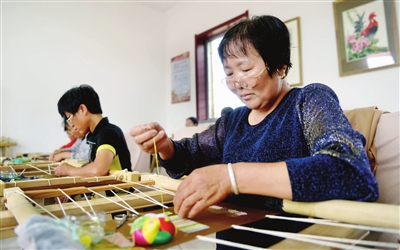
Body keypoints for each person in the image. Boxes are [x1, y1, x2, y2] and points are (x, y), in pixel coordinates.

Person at [130, 15, 378, 248]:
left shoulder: (307, 101)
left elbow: (350, 171)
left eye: (246, 69)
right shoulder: (234, 121)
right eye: (229, 73)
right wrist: (164, 146)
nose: (237, 82)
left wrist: (231, 178)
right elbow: (187, 156)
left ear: (280, 67)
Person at [54, 84, 131, 177]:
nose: (71, 124)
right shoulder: (93, 134)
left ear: (82, 109)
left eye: (69, 117)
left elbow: (98, 170)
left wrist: (69, 170)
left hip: (119, 190)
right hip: (103, 188)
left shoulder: (108, 132)